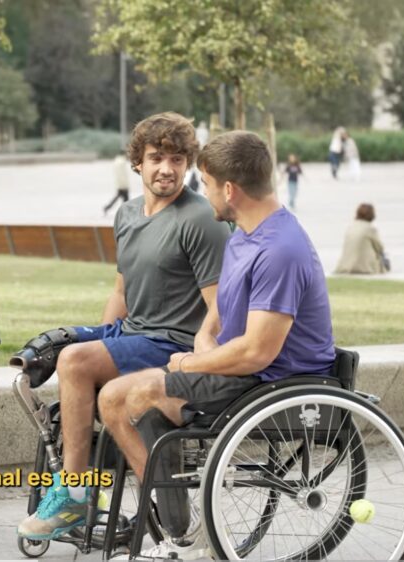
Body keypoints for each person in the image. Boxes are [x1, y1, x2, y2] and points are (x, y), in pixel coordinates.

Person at [98, 131, 335, 559]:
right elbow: (222, 305)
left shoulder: (280, 250)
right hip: (242, 369)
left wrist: (190, 364)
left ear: (229, 189)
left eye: (205, 184)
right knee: (114, 398)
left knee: (138, 395)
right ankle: (179, 529)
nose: (202, 192)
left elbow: (258, 352)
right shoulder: (245, 231)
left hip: (272, 381)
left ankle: (182, 540)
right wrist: (205, 336)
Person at [16, 112, 230, 541]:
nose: (166, 169)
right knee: (58, 354)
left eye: (176, 159)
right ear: (137, 162)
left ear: (188, 163)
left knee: (75, 361)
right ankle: (82, 489)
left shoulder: (201, 219)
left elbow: (219, 307)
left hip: (173, 343)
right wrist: (102, 344)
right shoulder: (128, 214)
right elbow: (121, 291)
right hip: (134, 334)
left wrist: (197, 363)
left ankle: (74, 496)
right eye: (156, 158)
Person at [335, 203, 388, 274]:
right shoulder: (370, 229)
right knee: (383, 259)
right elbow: (380, 248)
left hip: (346, 266)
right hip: (365, 267)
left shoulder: (351, 227)